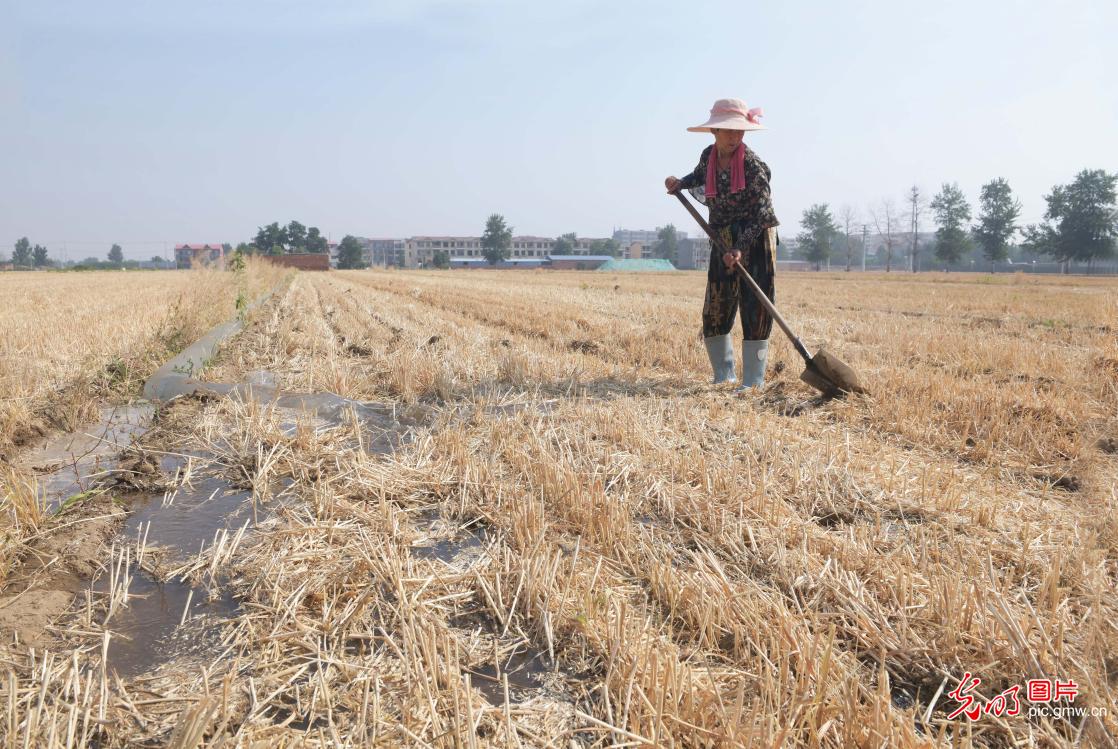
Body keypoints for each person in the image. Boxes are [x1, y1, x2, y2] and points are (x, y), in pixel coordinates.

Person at [665, 98, 779, 389]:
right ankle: (724, 376)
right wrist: (680, 183)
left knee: (756, 304)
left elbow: (763, 215)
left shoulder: (753, 166)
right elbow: (700, 176)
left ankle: (753, 381)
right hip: (722, 235)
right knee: (717, 302)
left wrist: (740, 246)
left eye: (739, 131)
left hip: (755, 237)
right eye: (728, 131)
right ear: (714, 131)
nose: (734, 136)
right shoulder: (709, 156)